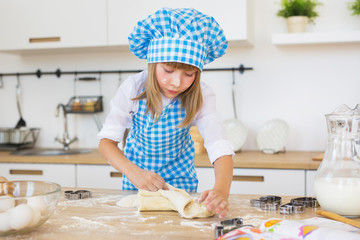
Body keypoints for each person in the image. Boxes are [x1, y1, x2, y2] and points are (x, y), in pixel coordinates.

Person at [98, 8, 234, 218]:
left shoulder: (202, 95)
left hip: (181, 184)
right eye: (168, 70)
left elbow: (218, 145)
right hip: (137, 184)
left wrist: (221, 190)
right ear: (153, 63)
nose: (177, 82)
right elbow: (106, 143)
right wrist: (135, 174)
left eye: (188, 74)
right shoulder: (133, 88)